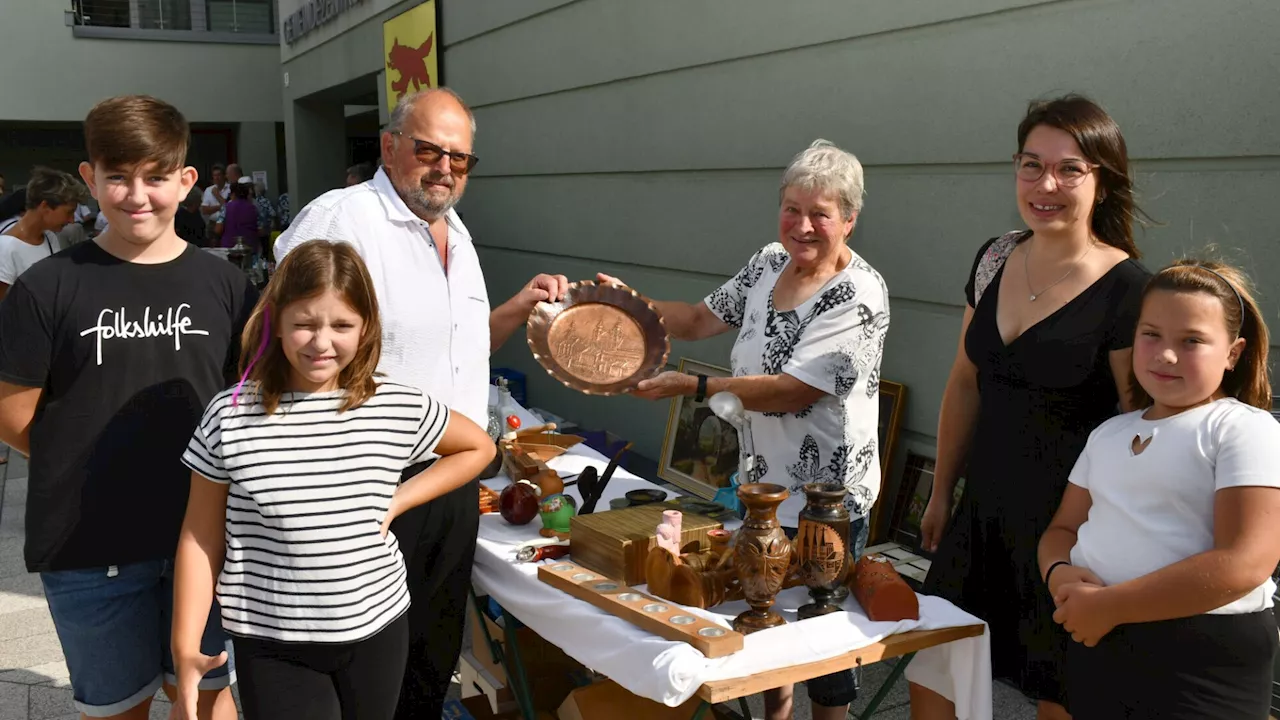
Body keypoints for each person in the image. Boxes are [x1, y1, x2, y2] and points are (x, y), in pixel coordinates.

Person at [274, 86, 569, 720]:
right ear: (389, 146)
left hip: (454, 477)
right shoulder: (345, 218)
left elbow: (460, 350)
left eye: (459, 159)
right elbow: (292, 336)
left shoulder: (456, 236)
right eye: (429, 150)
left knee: (430, 660)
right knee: (363, 672)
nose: (444, 168)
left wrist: (516, 309)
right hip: (373, 480)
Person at [602, 139, 889, 720]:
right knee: (761, 614)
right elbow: (701, 318)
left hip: (824, 502)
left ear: (851, 220)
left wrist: (696, 390)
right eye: (792, 208)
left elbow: (795, 389)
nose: (802, 225)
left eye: (821, 214)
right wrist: (629, 306)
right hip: (761, 483)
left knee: (822, 646)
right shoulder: (767, 262)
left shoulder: (858, 294)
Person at [0, 95, 256, 720]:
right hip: (91, 545)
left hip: (207, 539)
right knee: (117, 709)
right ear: (89, 179)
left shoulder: (225, 285)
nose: (137, 194)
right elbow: (11, 414)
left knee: (206, 700)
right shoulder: (49, 285)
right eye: (117, 176)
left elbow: (246, 404)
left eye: (155, 176)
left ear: (185, 180)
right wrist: (90, 461)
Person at [171, 239, 495, 720]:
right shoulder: (231, 415)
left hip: (378, 629)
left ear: (365, 329)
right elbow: (200, 534)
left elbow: (479, 447)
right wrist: (186, 644)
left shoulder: (396, 405)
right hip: (273, 640)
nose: (321, 342)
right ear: (275, 322)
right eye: (303, 323)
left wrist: (398, 500)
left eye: (342, 325)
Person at [907, 94, 1152, 720]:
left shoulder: (1129, 288)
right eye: (1030, 164)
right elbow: (965, 381)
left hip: (1067, 533)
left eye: (1070, 168)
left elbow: (1135, 424)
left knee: (1059, 693)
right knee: (934, 666)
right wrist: (941, 493)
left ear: (1103, 179)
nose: (1047, 184)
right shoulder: (995, 257)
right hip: (981, 512)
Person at [1039, 259, 1280, 719]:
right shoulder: (1107, 434)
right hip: (1097, 636)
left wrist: (1111, 605)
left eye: (1191, 340)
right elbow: (1063, 529)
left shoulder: (1242, 429)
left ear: (1233, 352)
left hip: (1198, 659)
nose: (1165, 354)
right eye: (1151, 335)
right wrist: (1059, 574)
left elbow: (1247, 560)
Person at [0, 167, 85, 300]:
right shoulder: (6, 247)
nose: (72, 220)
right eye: (69, 212)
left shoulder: (50, 238)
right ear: (45, 207)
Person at [216, 178, 258, 251]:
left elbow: (218, 229)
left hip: (229, 248)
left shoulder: (226, 207)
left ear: (233, 194)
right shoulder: (254, 208)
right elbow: (261, 230)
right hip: (249, 248)